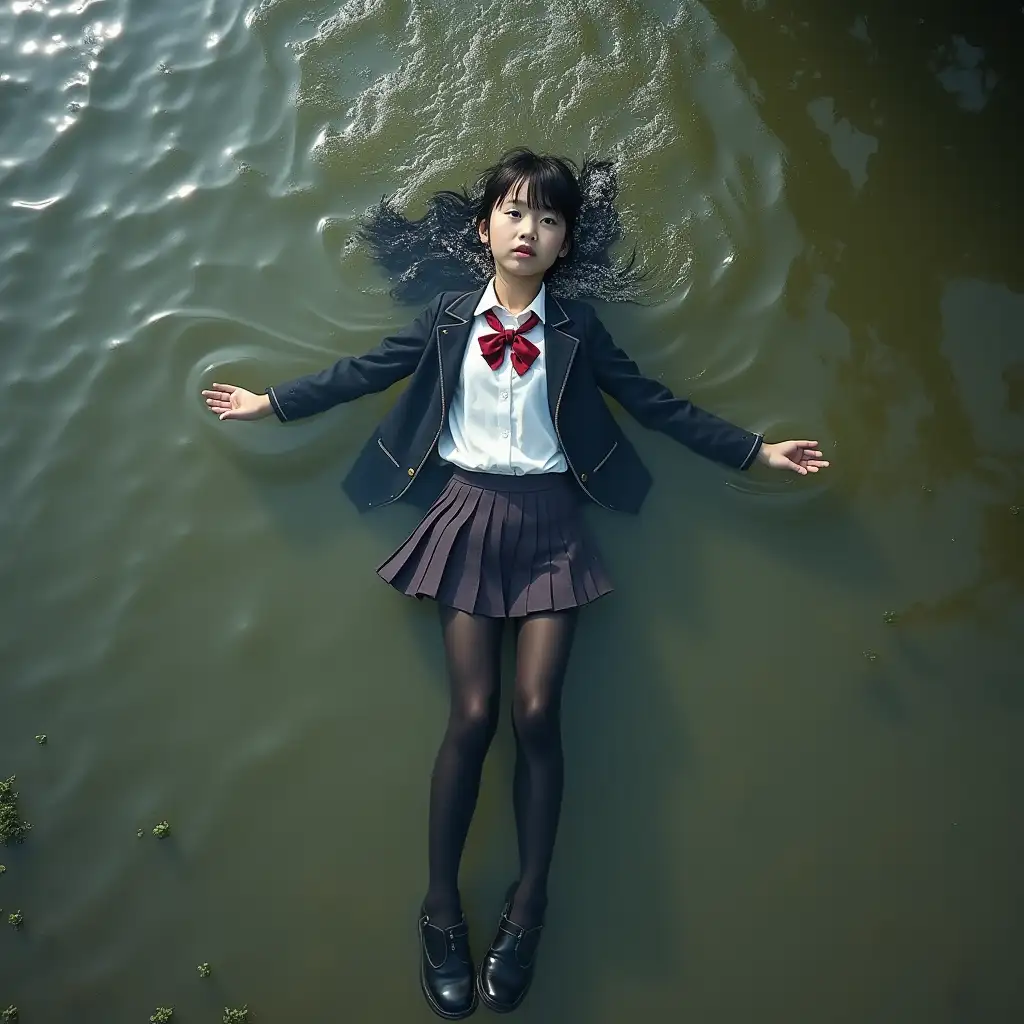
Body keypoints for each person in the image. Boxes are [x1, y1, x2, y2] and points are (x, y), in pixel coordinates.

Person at [202, 148, 829, 1019]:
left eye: (548, 219)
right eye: (514, 213)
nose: (528, 230)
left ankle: (528, 909)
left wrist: (754, 450)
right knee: (470, 714)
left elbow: (654, 402)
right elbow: (368, 369)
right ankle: (439, 912)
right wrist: (272, 403)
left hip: (550, 525)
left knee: (537, 711)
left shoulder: (577, 332)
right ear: (484, 226)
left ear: (566, 241)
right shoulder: (448, 316)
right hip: (464, 516)